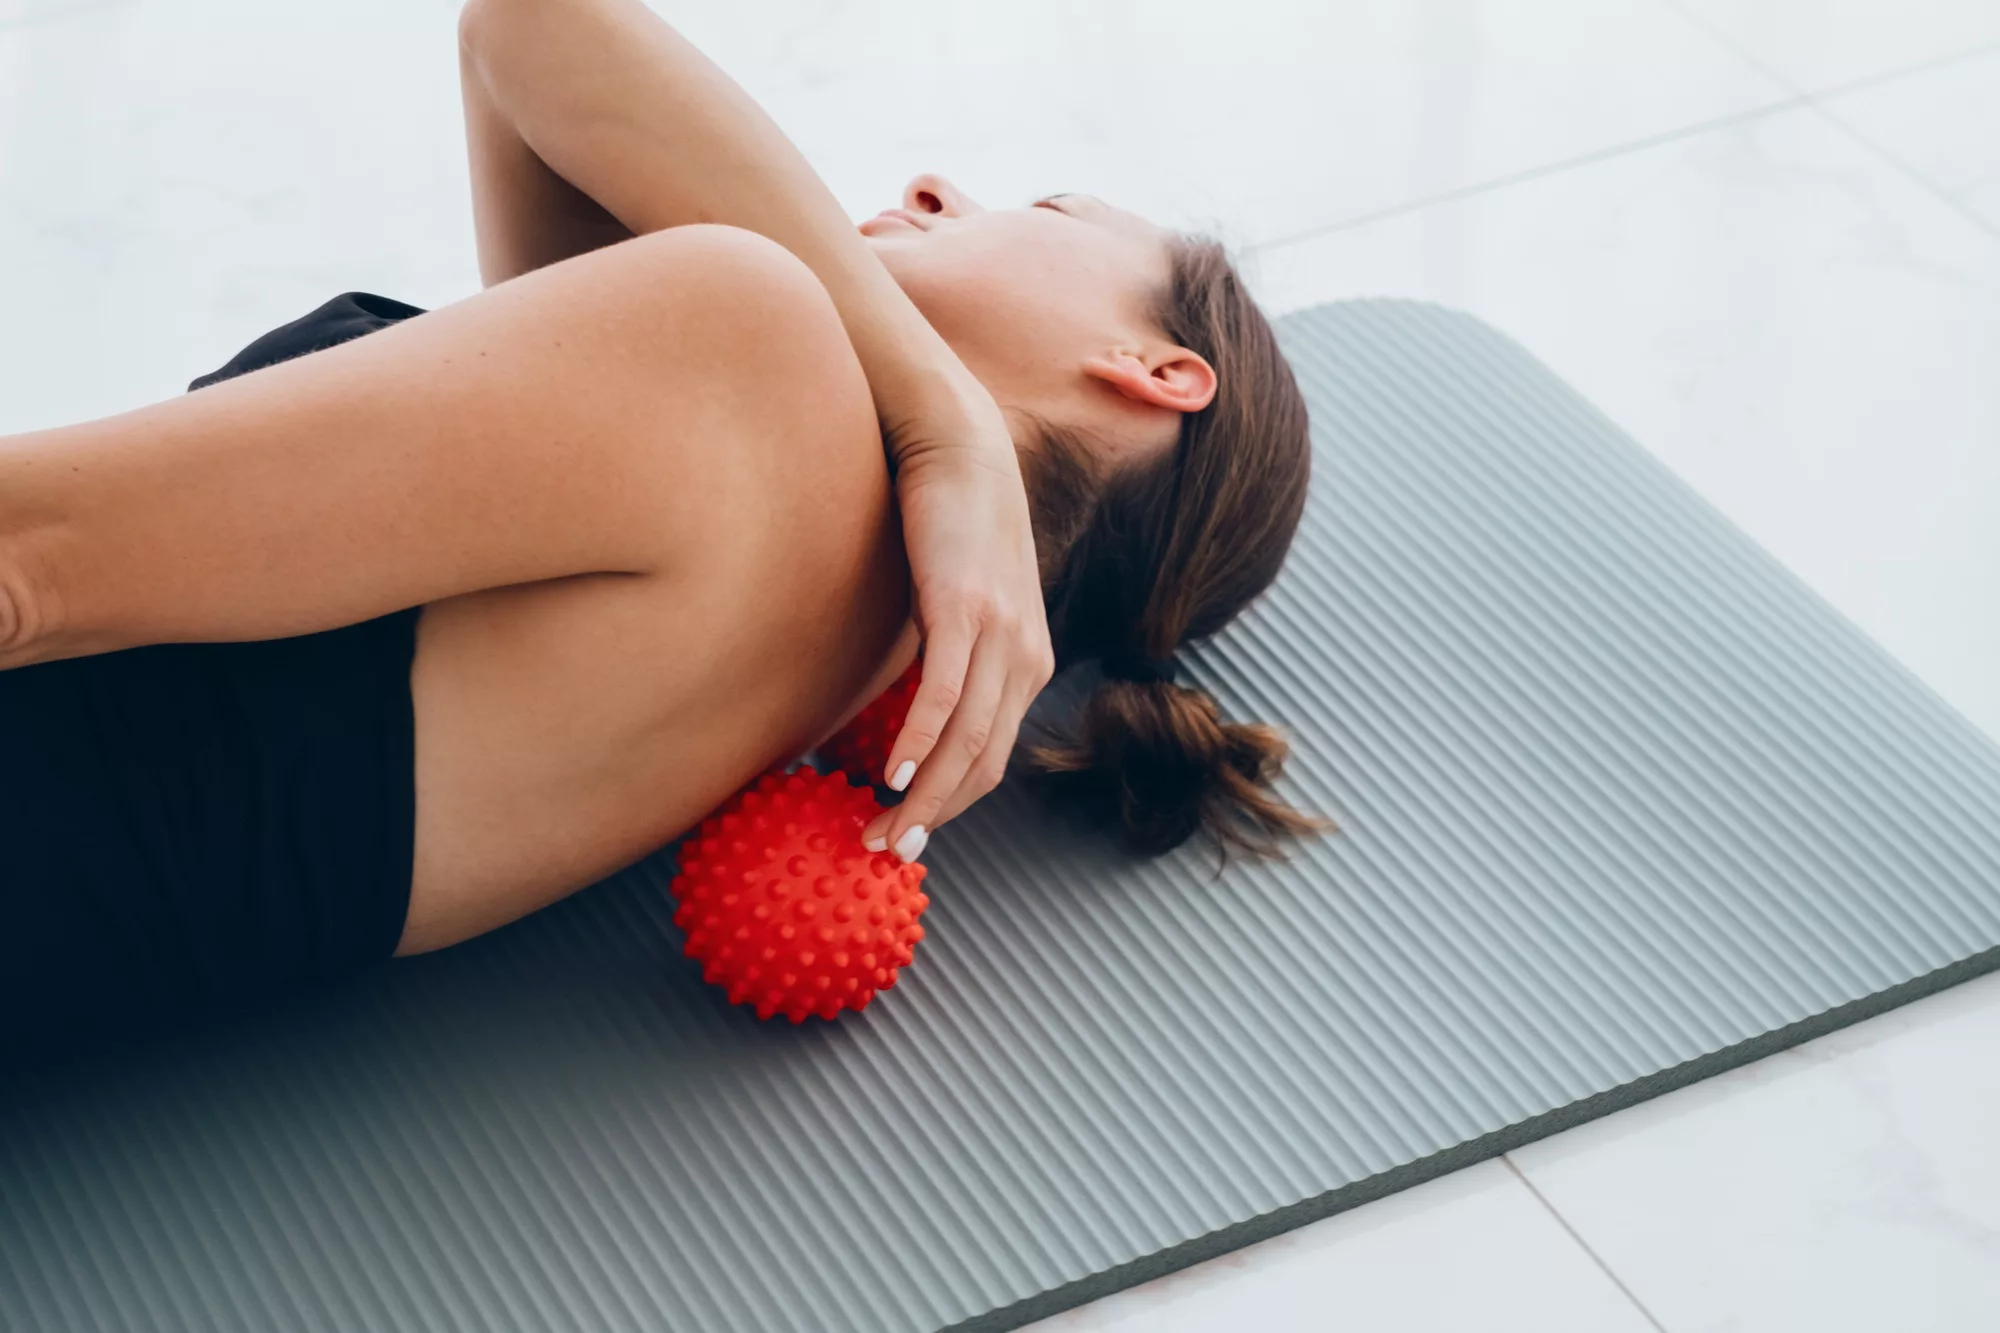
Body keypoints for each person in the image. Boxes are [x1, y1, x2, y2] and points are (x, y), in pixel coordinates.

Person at [0, 0, 1328, 1047]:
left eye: (1042, 211)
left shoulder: (757, 381)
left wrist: (941, 414)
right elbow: (528, 41)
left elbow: (25, 569)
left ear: (1156, 371)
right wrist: (943, 418)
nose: (934, 186)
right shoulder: (797, 641)